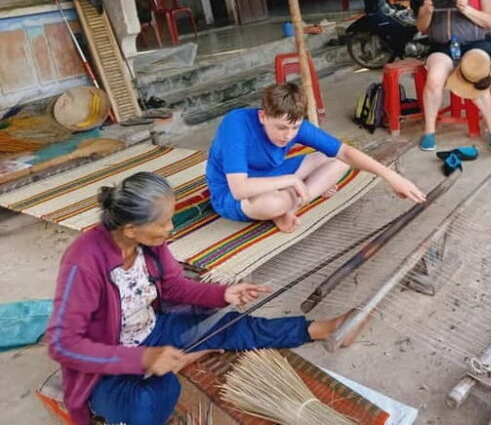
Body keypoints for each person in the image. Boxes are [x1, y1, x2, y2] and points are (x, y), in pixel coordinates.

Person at [46, 172, 367, 425]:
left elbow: (174, 288)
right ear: (130, 229)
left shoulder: (150, 242)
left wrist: (223, 293)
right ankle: (179, 362)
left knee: (229, 324)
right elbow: (62, 344)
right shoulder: (83, 263)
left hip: (153, 329)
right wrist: (144, 360)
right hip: (108, 363)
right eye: (163, 224)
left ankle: (320, 329)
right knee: (150, 402)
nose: (170, 229)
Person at [206, 82, 426, 232]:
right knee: (273, 203)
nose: (288, 135)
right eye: (281, 128)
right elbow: (239, 188)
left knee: (339, 162)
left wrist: (391, 177)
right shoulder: (235, 124)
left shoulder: (294, 124)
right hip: (232, 194)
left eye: (295, 128)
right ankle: (287, 203)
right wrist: (292, 181)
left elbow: (345, 152)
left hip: (273, 174)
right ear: (263, 116)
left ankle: (291, 207)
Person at [415, 0, 491, 151]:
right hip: (442, 45)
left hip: (476, 43)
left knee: (474, 72)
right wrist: (426, 10)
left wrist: (467, 9)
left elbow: (489, 21)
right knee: (434, 79)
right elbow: (422, 27)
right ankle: (429, 131)